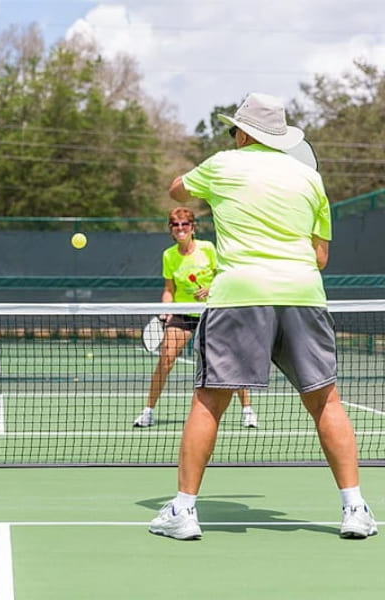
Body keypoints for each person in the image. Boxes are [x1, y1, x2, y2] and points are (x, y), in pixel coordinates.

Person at [149, 92, 377, 540]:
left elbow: (176, 189)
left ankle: (184, 511)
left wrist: (206, 188)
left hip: (240, 295)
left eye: (235, 129)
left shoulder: (222, 165)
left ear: (246, 132)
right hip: (303, 294)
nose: (232, 136)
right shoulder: (310, 179)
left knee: (209, 401)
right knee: (326, 401)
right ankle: (355, 508)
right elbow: (321, 255)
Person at [134, 207, 257, 428]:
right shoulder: (169, 255)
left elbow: (225, 276)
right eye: (175, 225)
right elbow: (169, 288)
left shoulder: (207, 249)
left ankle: (247, 410)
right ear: (171, 230)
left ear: (193, 228)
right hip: (183, 313)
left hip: (212, 311)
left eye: (184, 224)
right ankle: (148, 411)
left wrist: (210, 288)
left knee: (230, 361)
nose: (180, 229)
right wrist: (165, 309)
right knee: (166, 358)